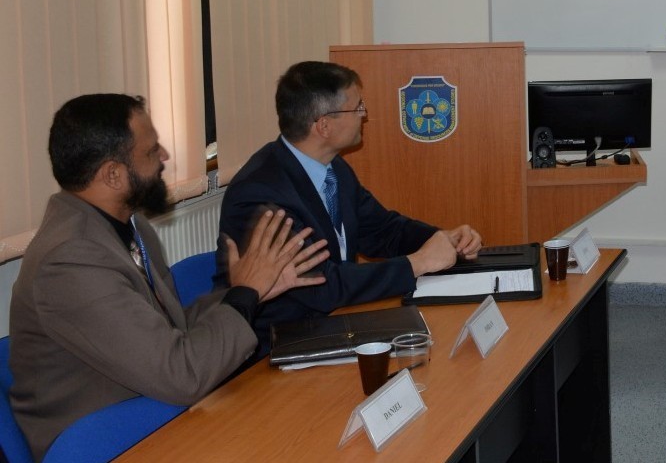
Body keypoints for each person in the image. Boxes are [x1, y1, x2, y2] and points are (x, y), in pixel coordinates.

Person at [8, 94, 328, 461]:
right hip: (103, 441)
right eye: (150, 151)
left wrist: (253, 288)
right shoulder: (70, 260)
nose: (164, 156)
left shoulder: (127, 225)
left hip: (152, 410)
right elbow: (182, 375)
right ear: (113, 174)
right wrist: (245, 293)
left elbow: (172, 332)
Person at [215, 60, 483, 340]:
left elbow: (383, 230)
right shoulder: (259, 193)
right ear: (324, 126)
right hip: (278, 342)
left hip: (335, 322)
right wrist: (418, 263)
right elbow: (320, 286)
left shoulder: (333, 168)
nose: (364, 115)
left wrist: (444, 239)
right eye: (357, 108)